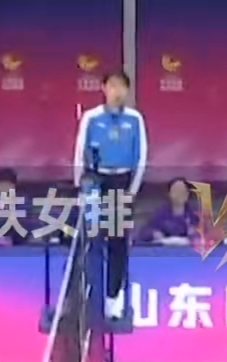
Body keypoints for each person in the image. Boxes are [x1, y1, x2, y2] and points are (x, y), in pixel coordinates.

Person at [74, 70, 148, 320]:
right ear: (103, 88)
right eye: (112, 86)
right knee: (91, 239)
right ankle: (88, 294)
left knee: (117, 242)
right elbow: (79, 152)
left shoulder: (135, 119)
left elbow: (141, 155)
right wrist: (81, 187)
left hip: (121, 183)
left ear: (127, 90)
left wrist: (132, 190)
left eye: (121, 86)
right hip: (95, 181)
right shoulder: (91, 117)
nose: (117, 91)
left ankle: (113, 299)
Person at [140, 179, 198, 243]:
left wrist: (194, 235)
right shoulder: (160, 214)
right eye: (176, 191)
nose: (179, 194)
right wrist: (154, 234)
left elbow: (203, 235)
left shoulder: (195, 215)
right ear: (169, 194)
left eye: (182, 191)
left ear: (188, 194)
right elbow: (144, 233)